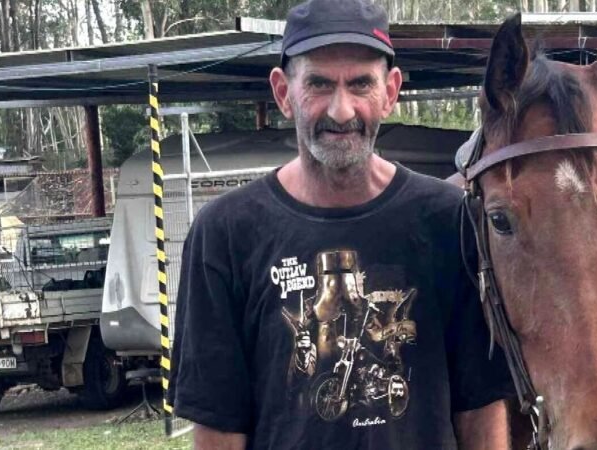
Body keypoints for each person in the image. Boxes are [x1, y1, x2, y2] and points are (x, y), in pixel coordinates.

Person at [167, 0, 514, 448]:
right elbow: (218, 423)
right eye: (319, 83)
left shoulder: (450, 220)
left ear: (390, 91)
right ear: (283, 93)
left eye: (360, 84)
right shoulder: (225, 233)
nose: (342, 110)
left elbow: (480, 404)